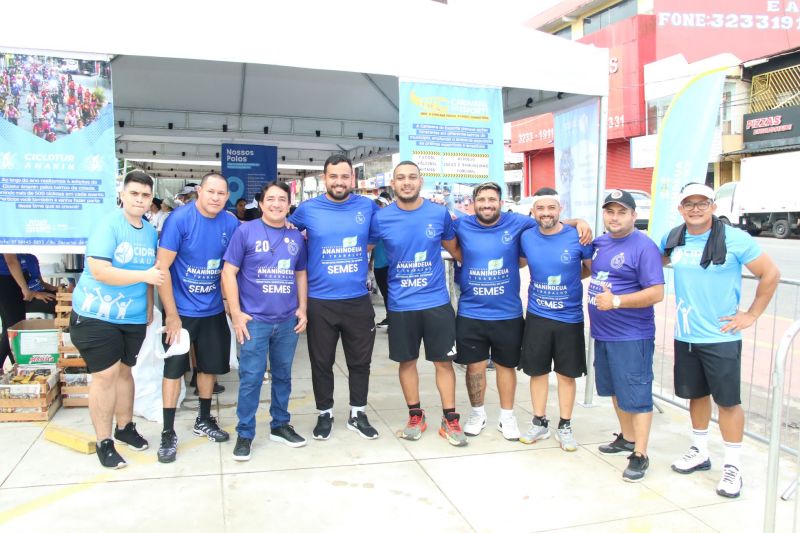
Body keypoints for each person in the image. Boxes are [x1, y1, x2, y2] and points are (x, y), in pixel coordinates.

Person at [661, 183, 779, 498]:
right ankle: (700, 450)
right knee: (695, 396)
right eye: (689, 203)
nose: (696, 208)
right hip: (685, 335)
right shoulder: (673, 238)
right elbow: (651, 262)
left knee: (727, 403)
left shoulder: (735, 239)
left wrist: (751, 314)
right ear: (681, 208)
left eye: (702, 203)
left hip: (721, 338)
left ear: (714, 206)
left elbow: (770, 274)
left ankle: (733, 466)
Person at [454, 183, 592, 441]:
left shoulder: (519, 223)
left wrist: (579, 221)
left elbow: (549, 220)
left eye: (492, 199)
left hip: (509, 312)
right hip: (472, 311)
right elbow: (451, 246)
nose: (487, 204)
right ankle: (477, 413)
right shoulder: (462, 225)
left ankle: (507, 417)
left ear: (501, 202)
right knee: (475, 367)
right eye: (481, 199)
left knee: (507, 366)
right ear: (473, 203)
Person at [69, 170, 164, 468]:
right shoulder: (108, 224)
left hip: (132, 316)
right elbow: (99, 270)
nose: (139, 199)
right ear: (122, 194)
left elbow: (150, 276)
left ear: (151, 200)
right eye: (134, 193)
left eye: (145, 195)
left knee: (126, 373)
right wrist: (143, 276)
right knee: (106, 376)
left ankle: (124, 428)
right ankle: (104, 441)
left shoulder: (149, 231)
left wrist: (149, 304)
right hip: (97, 314)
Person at [370, 161, 465, 447]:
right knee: (406, 362)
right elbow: (360, 250)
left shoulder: (438, 213)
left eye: (412, 177)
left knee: (443, 362)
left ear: (421, 181)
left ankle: (450, 419)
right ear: (393, 184)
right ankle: (416, 415)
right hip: (401, 305)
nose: (407, 182)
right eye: (401, 178)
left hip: (436, 302)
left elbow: (456, 250)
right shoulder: (381, 218)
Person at [288, 155, 380, 440]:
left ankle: (357, 413)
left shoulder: (367, 207)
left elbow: (373, 239)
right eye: (333, 176)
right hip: (320, 301)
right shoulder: (307, 209)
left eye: (344, 177)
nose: (339, 182)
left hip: (356, 300)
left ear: (352, 179)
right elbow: (286, 233)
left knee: (360, 362)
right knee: (321, 361)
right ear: (324, 178)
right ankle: (324, 413)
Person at [222, 181, 309, 460]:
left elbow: (300, 274)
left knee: (283, 376)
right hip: (254, 321)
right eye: (270, 199)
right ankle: (245, 433)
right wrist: (235, 313)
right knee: (251, 378)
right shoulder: (244, 231)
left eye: (282, 199)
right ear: (261, 204)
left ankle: (280, 425)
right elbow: (228, 273)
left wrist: (303, 308)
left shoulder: (296, 237)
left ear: (289, 204)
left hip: (286, 321)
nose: (276, 204)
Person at [156, 172, 239, 463]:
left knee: (208, 368)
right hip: (181, 312)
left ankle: (204, 419)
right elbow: (162, 269)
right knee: (174, 370)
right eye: (211, 191)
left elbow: (237, 263)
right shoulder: (179, 220)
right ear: (200, 192)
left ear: (227, 197)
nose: (216, 197)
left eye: (222, 193)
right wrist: (171, 315)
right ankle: (168, 432)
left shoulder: (231, 222)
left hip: (213, 310)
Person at [588, 189, 664, 482]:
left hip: (632, 335)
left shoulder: (643, 246)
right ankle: (627, 438)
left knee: (637, 394)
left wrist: (617, 301)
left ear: (634, 215)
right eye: (610, 211)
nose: (615, 217)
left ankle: (641, 454)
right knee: (617, 391)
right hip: (604, 334)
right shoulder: (601, 242)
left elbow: (656, 292)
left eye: (622, 212)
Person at [518, 188, 592, 451]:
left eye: (551, 207)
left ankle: (565, 426)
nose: (546, 213)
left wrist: (579, 222)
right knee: (537, 372)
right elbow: (520, 262)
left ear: (560, 209)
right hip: (537, 316)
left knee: (565, 374)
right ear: (533, 211)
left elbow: (590, 270)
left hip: (569, 318)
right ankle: (539, 423)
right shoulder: (526, 236)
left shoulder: (578, 236)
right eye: (540, 208)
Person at [0, 254, 32, 371]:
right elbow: (11, 261)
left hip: (9, 278)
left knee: (9, 327)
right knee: (14, 327)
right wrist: (24, 287)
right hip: (7, 279)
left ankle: (15, 362)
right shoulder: (8, 236)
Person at [371, 197, 391, 328]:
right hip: (378, 265)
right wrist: (371, 261)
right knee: (386, 294)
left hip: (388, 265)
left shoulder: (389, 224)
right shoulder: (374, 224)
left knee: (390, 294)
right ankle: (390, 319)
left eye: (380, 206)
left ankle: (393, 320)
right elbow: (372, 244)